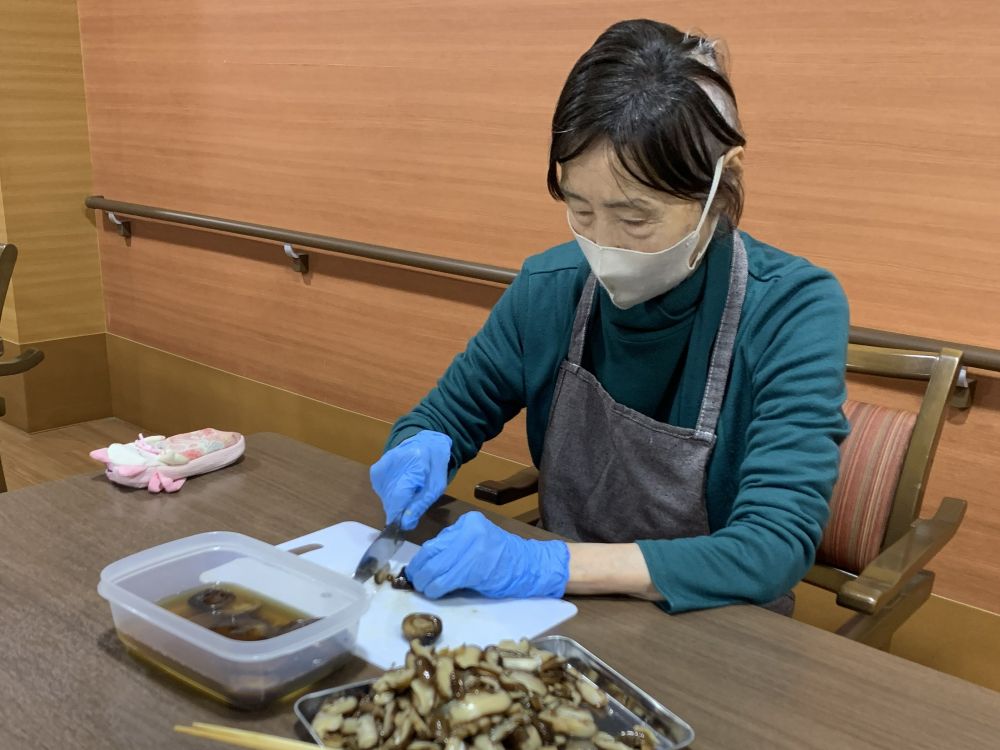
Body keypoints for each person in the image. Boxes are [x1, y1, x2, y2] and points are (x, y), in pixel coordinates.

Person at [368, 19, 849, 615]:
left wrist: (546, 564)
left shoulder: (793, 308)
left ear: (721, 183)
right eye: (581, 211)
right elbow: (444, 416)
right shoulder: (550, 287)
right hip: (559, 611)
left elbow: (772, 547)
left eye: (636, 218)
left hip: (715, 620)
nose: (604, 245)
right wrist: (420, 446)